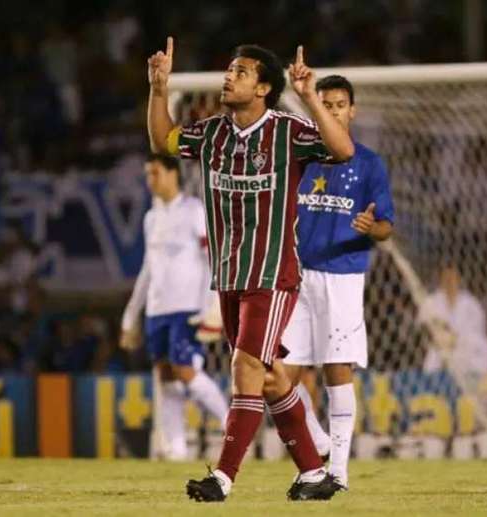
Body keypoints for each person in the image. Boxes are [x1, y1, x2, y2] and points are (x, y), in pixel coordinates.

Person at [146, 37, 354, 501]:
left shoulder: (288, 131)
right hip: (230, 276)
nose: (228, 76)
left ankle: (222, 478)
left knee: (245, 365)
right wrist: (159, 89)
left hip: (272, 274)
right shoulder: (212, 133)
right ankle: (313, 473)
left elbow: (341, 150)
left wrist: (309, 98)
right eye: (229, 69)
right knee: (273, 375)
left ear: (262, 87)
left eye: (240, 72)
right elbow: (162, 140)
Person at [280, 75, 395, 491]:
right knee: (277, 376)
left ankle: (339, 472)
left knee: (336, 370)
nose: (332, 111)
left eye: (339, 104)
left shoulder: (368, 163)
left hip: (342, 277)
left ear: (352, 110)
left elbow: (386, 227)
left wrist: (372, 226)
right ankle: (318, 441)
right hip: (296, 278)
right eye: (324, 104)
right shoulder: (300, 157)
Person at [120, 153, 229, 460]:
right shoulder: (151, 218)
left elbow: (212, 259)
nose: (149, 180)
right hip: (157, 309)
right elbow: (147, 268)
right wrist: (131, 314)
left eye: (154, 173)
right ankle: (176, 449)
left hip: (188, 307)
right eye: (147, 174)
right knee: (165, 375)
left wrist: (214, 303)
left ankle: (231, 425)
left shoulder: (194, 210)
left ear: (172, 174)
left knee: (185, 370)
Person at [419, 263, 487, 376]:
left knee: (486, 350)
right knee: (432, 363)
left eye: (452, 277)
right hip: (440, 347)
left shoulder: (471, 303)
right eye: (446, 277)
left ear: (458, 279)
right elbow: (423, 327)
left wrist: (457, 338)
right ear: (440, 280)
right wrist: (442, 337)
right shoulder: (431, 302)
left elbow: (480, 330)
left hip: (466, 345)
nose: (449, 281)